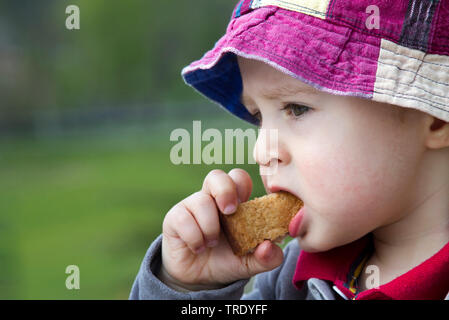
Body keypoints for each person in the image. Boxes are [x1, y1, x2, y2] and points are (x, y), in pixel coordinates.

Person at [130, 0, 449, 300]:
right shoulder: (286, 278)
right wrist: (188, 286)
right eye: (257, 117)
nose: (261, 151)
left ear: (433, 117)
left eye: (296, 108)